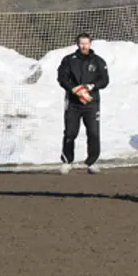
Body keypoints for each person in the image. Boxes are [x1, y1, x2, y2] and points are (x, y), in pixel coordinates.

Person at [56, 32, 110, 175]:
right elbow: (62, 77)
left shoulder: (98, 61)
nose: (83, 46)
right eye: (81, 43)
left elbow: (104, 80)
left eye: (86, 43)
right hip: (73, 103)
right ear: (77, 44)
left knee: (93, 133)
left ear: (90, 43)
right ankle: (67, 161)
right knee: (70, 133)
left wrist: (92, 86)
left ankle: (92, 162)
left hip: (91, 103)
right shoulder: (69, 60)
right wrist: (73, 89)